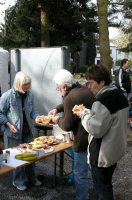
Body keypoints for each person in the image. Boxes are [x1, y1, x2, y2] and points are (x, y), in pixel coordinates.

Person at [73, 65, 128, 200]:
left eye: (91, 83)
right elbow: (107, 119)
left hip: (102, 155)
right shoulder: (119, 95)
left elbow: (95, 129)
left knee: (103, 190)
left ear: (102, 82)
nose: (88, 87)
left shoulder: (102, 101)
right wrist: (87, 112)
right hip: (115, 150)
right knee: (106, 185)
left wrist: (82, 115)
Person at [48, 69, 94, 200]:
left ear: (64, 86)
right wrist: (57, 108)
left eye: (58, 88)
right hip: (93, 138)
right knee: (94, 171)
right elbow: (69, 104)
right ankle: (96, 194)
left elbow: (67, 125)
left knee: (80, 173)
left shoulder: (70, 97)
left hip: (81, 140)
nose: (58, 90)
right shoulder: (83, 89)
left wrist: (57, 119)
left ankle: (82, 197)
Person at [0, 71, 41, 191]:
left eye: (28, 84)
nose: (27, 86)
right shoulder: (7, 96)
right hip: (14, 132)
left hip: (28, 131)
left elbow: (33, 111)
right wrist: (9, 124)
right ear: (18, 83)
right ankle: (18, 181)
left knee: (31, 155)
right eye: (24, 84)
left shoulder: (30, 95)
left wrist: (38, 118)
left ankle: (31, 177)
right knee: (17, 156)